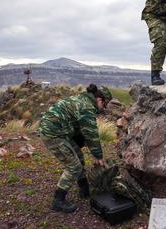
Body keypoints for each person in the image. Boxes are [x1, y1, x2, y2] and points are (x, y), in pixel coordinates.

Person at [39, 83, 112, 213]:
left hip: (61, 131)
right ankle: (58, 201)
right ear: (99, 99)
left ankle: (83, 188)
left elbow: (80, 129)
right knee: (74, 166)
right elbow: (91, 135)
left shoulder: (82, 99)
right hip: (53, 134)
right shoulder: (87, 107)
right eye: (104, 105)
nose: (103, 108)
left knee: (79, 156)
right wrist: (98, 156)